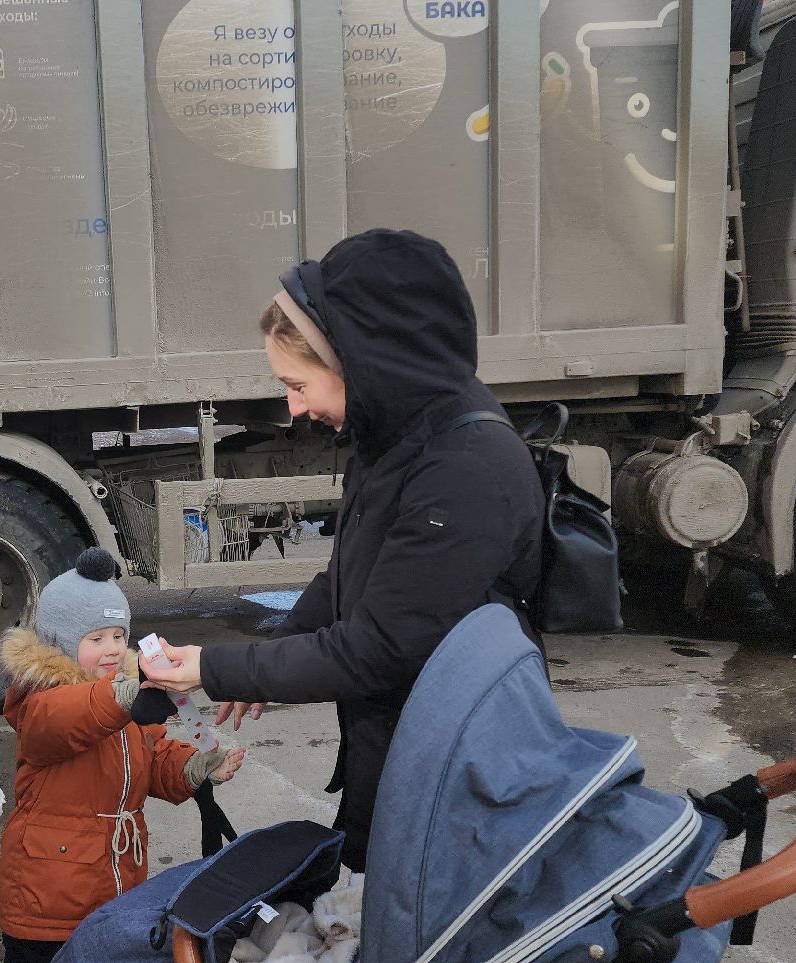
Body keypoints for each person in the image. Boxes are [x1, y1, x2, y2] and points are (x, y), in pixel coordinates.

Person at [145, 229, 545, 873]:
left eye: (299, 384)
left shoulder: (465, 468)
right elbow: (351, 576)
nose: (294, 407)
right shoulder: (399, 432)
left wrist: (219, 668)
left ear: (362, 362)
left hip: (455, 774)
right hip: (399, 747)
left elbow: (379, 649)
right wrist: (265, 656)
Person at [0, 548, 245, 963]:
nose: (111, 648)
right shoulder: (42, 700)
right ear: (60, 641)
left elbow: (152, 761)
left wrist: (200, 766)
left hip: (111, 880)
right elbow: (70, 719)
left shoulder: (123, 702)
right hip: (46, 890)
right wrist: (126, 695)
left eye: (118, 636)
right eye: (95, 639)